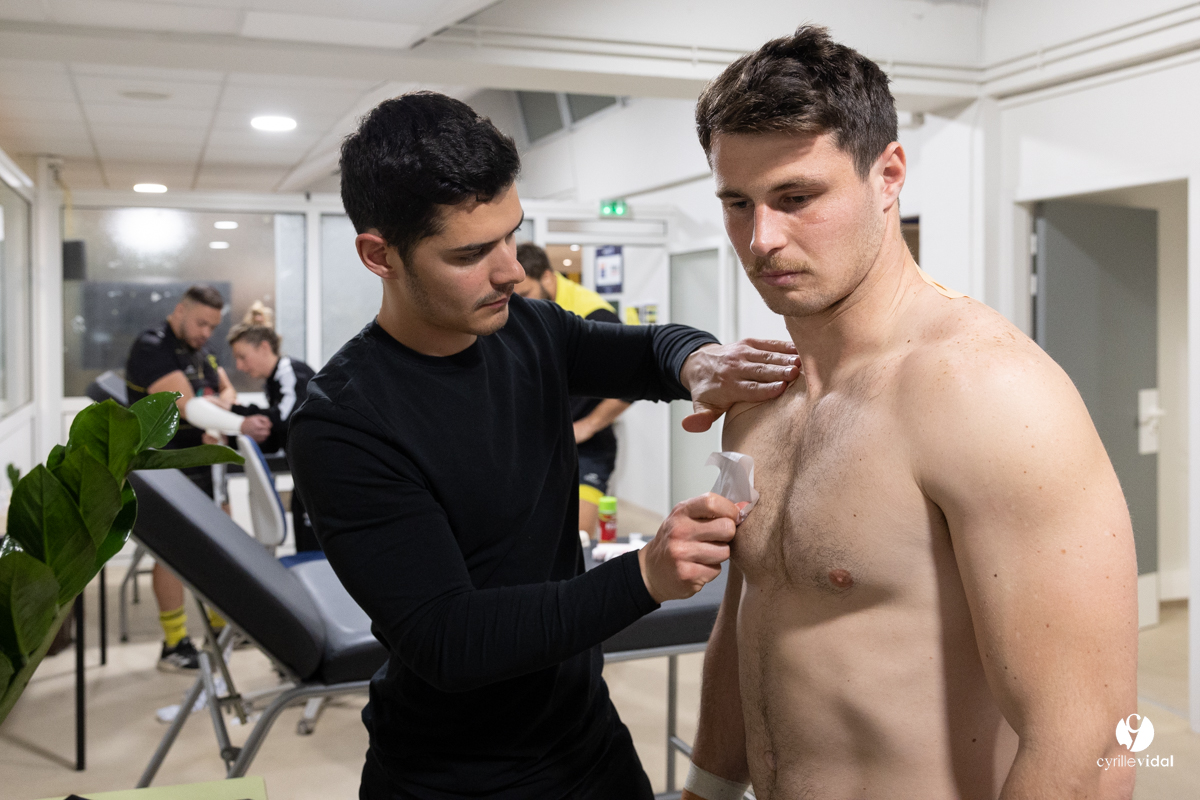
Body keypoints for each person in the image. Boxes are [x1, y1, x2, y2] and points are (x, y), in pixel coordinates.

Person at [287, 91, 802, 800]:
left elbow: (652, 349)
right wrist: (644, 575)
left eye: (511, 236)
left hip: (587, 740)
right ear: (381, 255)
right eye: (471, 252)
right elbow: (448, 638)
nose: (509, 271)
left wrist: (700, 363)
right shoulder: (344, 422)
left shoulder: (529, 329)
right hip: (456, 778)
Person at [682, 26, 1139, 800]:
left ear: (888, 174)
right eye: (737, 203)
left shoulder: (986, 392)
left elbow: (1086, 747)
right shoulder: (762, 398)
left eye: (797, 197)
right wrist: (707, 790)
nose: (761, 239)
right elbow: (750, 618)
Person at [124, 285, 272, 671]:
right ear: (180, 310)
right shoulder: (153, 346)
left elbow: (224, 388)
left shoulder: (198, 350)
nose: (206, 332)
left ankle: (225, 626)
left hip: (203, 459)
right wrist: (236, 421)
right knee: (175, 553)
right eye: (201, 323)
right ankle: (174, 644)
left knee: (219, 542)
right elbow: (186, 406)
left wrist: (216, 409)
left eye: (212, 326)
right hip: (165, 464)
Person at [514, 242, 631, 537]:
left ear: (548, 278)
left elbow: (632, 382)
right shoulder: (519, 315)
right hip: (536, 444)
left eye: (526, 294)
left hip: (586, 449)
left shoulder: (595, 316)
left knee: (576, 537)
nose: (518, 306)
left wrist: (588, 425)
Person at [228, 322, 320, 552]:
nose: (239, 366)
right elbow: (274, 435)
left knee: (317, 554)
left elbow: (283, 417)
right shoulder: (273, 383)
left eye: (243, 357)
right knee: (306, 547)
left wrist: (233, 412)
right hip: (305, 478)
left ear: (264, 348)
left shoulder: (289, 371)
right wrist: (229, 438)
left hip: (322, 478)